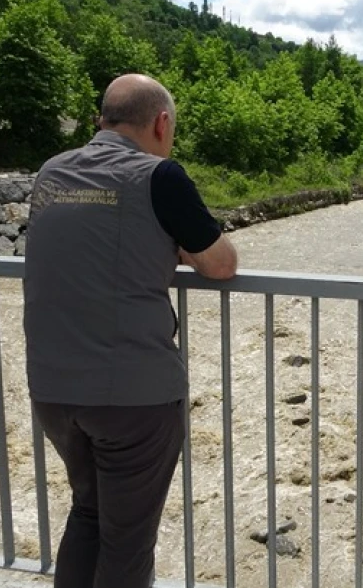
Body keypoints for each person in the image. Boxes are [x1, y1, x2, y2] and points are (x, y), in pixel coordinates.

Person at [23, 73, 238, 588]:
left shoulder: (51, 173)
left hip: (52, 391)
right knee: (128, 542)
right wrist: (174, 245)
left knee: (89, 514)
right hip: (132, 399)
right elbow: (221, 263)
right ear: (162, 124)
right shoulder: (160, 177)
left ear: (101, 120)